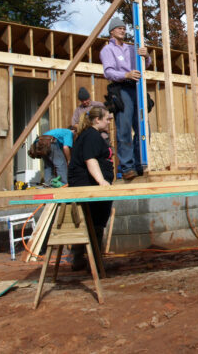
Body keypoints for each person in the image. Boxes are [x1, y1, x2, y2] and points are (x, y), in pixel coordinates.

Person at [99, 16, 151, 180]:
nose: (123, 30)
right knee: (124, 127)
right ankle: (127, 166)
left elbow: (144, 65)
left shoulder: (131, 48)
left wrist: (146, 56)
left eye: (124, 28)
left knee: (143, 128)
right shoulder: (108, 50)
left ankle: (139, 164)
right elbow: (108, 72)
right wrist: (126, 74)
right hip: (121, 88)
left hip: (136, 87)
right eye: (119, 28)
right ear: (112, 31)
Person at [68, 106, 114, 270]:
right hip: (88, 186)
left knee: (89, 222)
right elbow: (90, 159)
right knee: (94, 222)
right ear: (97, 120)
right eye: (107, 119)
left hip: (86, 184)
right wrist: (101, 181)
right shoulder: (91, 136)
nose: (109, 122)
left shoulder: (88, 135)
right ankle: (95, 264)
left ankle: (82, 260)